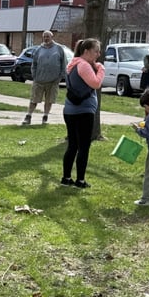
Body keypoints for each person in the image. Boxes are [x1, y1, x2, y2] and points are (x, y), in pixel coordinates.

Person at [61, 38, 105, 189]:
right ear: (86, 51)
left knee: (72, 145)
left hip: (70, 110)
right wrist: (101, 69)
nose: (98, 54)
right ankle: (80, 181)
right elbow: (96, 83)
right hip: (83, 111)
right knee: (83, 146)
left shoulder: (72, 63)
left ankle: (66, 178)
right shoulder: (83, 65)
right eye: (96, 51)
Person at [22, 31, 66, 125]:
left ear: (52, 37)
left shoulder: (58, 49)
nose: (46, 38)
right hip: (39, 80)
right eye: (44, 37)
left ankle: (45, 116)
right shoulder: (39, 49)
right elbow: (34, 64)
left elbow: (63, 64)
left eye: (47, 36)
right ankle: (28, 116)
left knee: (49, 100)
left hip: (53, 81)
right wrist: (34, 76)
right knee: (34, 99)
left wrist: (60, 77)